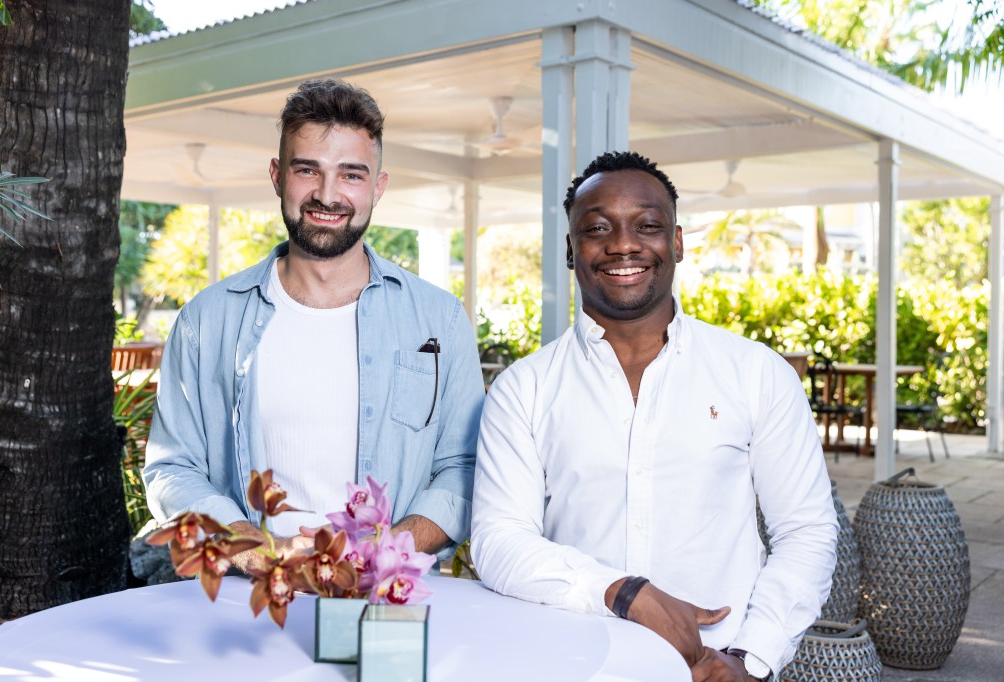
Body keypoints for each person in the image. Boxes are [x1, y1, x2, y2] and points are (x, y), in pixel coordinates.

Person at [470, 151, 837, 680]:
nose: (623, 244)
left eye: (647, 225)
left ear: (677, 242)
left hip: (716, 665)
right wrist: (623, 592)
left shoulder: (756, 373)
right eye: (598, 228)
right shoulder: (523, 389)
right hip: (576, 663)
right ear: (571, 249)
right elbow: (500, 541)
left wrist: (751, 659)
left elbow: (806, 530)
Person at [143, 78, 485, 570]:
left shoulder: (440, 319)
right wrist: (255, 548)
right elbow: (172, 467)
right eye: (307, 170)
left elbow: (464, 469)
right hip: (249, 593)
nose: (327, 195)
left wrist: (381, 552)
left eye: (351, 175)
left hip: (385, 594)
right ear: (277, 175)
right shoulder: (207, 320)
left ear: (378, 187)